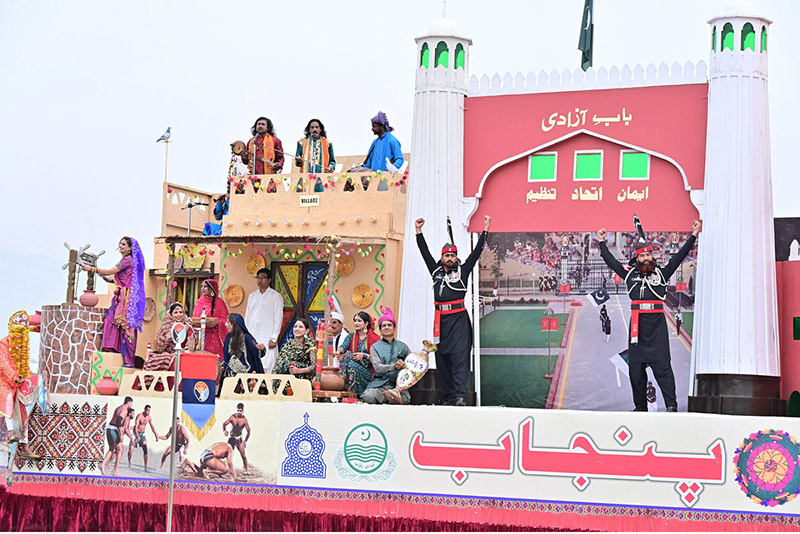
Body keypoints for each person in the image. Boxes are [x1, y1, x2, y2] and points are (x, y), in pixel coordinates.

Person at [597, 217, 701, 412]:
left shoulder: (661, 274)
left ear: (652, 257)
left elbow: (680, 256)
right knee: (635, 371)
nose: (645, 259)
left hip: (657, 329)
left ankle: (671, 406)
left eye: (648, 256)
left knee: (663, 370)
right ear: (637, 258)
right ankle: (640, 407)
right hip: (637, 329)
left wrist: (694, 235)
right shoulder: (629, 274)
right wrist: (601, 242)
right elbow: (610, 261)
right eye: (642, 256)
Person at [415, 215, 491, 406]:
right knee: (442, 359)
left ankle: (460, 396)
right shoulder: (435, 271)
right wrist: (418, 231)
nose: (449, 259)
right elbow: (424, 252)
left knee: (459, 358)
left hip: (458, 320)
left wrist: (485, 230)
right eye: (446, 256)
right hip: (440, 321)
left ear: (456, 257)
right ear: (442, 257)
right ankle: (448, 397)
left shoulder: (463, 271)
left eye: (452, 255)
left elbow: (476, 253)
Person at [82, 236, 146, 367]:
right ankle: (113, 349)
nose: (120, 246)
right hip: (120, 298)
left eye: (123, 244)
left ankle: (128, 360)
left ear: (129, 249)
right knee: (111, 320)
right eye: (120, 243)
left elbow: (111, 271)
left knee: (127, 328)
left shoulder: (127, 260)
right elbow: (120, 279)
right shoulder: (127, 261)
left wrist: (92, 269)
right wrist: (107, 279)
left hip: (126, 299)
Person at [361, 307, 411, 405]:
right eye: (384, 326)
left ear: (394, 328)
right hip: (379, 385)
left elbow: (411, 364)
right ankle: (389, 399)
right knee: (368, 396)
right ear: (380, 329)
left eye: (389, 325)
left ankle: (390, 397)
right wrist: (394, 367)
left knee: (405, 399)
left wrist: (405, 365)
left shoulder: (403, 346)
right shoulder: (375, 347)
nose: (387, 327)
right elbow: (378, 367)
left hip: (398, 385)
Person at [244, 268, 284, 373]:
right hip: (252, 337)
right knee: (252, 366)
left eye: (263, 278)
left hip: (267, 338)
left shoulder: (276, 297)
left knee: (267, 367)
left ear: (269, 280)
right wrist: (245, 336)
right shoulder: (252, 296)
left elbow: (278, 318)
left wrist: (274, 338)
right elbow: (247, 316)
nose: (260, 280)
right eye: (258, 278)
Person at [337, 312, 379, 398]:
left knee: (349, 358)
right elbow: (343, 346)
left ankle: (342, 386)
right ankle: (348, 390)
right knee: (348, 356)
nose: (356, 323)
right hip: (351, 366)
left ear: (366, 323)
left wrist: (363, 355)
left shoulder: (374, 338)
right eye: (355, 320)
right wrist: (339, 352)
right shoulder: (351, 337)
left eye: (359, 321)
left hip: (368, 370)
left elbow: (377, 359)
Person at [192, 279, 229, 362]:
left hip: (215, 339)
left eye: (205, 286)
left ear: (212, 288)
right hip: (201, 337)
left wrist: (217, 322)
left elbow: (227, 321)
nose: (202, 289)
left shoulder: (219, 303)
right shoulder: (198, 302)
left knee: (214, 364)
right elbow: (194, 319)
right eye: (201, 286)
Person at [240, 117, 284, 182]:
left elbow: (280, 157)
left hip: (269, 177)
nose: (260, 126)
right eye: (259, 124)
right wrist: (243, 157)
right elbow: (246, 162)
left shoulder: (275, 141)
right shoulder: (251, 142)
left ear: (268, 128)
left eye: (263, 124)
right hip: (253, 177)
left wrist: (279, 164)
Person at [222, 314, 265, 379]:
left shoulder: (247, 337)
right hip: (232, 374)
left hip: (247, 374)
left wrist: (262, 349)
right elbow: (226, 357)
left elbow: (257, 353)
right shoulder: (228, 338)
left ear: (234, 325)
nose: (226, 325)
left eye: (228, 322)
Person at [100, 397, 135, 476]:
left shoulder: (119, 407)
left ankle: (103, 464)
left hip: (109, 428)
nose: (131, 405)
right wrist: (121, 433)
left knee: (112, 449)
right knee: (120, 450)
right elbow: (119, 420)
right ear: (129, 402)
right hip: (114, 430)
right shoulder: (124, 409)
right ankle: (115, 471)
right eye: (131, 403)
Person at [127, 404, 160, 472]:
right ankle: (129, 463)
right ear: (144, 410)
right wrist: (137, 435)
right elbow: (136, 426)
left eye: (149, 411)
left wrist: (156, 434)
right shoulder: (140, 415)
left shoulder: (149, 417)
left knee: (145, 449)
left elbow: (152, 426)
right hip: (135, 433)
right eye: (147, 410)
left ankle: (145, 467)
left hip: (142, 434)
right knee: (130, 450)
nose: (148, 412)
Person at [222, 403, 251, 475]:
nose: (239, 412)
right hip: (231, 438)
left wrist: (245, 441)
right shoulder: (233, 417)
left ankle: (246, 470)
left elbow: (249, 431)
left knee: (243, 455)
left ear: (243, 411)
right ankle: (225, 468)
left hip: (239, 439)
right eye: (238, 410)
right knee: (226, 454)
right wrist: (224, 431)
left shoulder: (244, 420)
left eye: (240, 411)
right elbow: (224, 424)